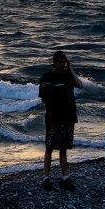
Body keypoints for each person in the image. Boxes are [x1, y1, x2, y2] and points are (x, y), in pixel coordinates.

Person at [38, 51, 81, 191]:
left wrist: (71, 68)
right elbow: (43, 97)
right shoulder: (47, 77)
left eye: (64, 62)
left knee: (64, 148)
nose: (62, 64)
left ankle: (65, 177)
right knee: (49, 147)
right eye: (60, 62)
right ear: (54, 62)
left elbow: (80, 85)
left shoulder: (69, 75)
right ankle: (46, 177)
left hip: (68, 116)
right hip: (53, 117)